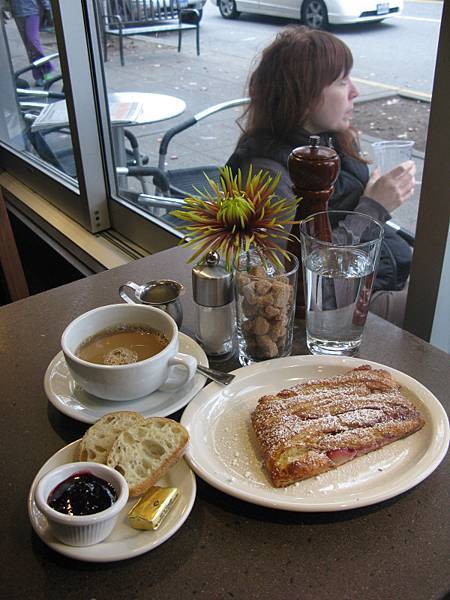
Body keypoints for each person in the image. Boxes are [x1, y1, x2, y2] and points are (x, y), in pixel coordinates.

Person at [227, 26, 416, 326]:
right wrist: (374, 207)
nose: (356, 91)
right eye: (342, 82)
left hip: (381, 274)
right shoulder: (266, 177)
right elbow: (299, 283)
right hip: (342, 307)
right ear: (302, 96)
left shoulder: (330, 140)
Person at [9, 0, 54, 87]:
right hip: (18, 14)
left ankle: (47, 69)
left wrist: (47, 9)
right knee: (29, 47)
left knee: (33, 42)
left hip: (32, 12)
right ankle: (37, 76)